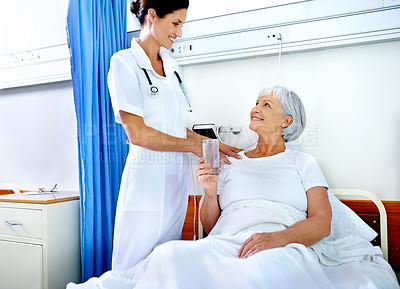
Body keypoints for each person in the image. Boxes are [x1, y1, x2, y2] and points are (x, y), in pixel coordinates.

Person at [67, 86, 398, 289]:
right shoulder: (231, 159)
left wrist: (277, 238)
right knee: (169, 255)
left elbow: (322, 223)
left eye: (267, 104)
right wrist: (210, 192)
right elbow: (210, 227)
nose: (256, 107)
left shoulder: (303, 164)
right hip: (227, 243)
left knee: (261, 274)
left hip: (280, 246)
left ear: (287, 122)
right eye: (256, 102)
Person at [107, 0, 241, 270]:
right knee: (131, 268)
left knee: (164, 268)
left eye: (182, 24)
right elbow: (138, 134)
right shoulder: (124, 63)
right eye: (176, 23)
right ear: (153, 16)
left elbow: (174, 127)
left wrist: (211, 144)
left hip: (175, 185)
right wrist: (192, 147)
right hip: (145, 184)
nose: (179, 33)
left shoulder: (173, 65)